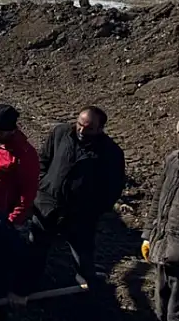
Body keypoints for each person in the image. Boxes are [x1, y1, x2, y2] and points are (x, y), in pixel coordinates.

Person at [29, 105, 126, 288]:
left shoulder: (111, 153)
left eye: (88, 128)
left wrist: (93, 211)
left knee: (83, 252)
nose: (81, 130)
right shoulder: (60, 133)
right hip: (48, 205)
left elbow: (113, 188)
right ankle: (31, 284)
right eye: (79, 124)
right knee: (37, 248)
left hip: (80, 215)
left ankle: (85, 285)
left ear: (100, 129)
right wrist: (43, 186)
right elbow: (43, 159)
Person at [142, 120, 179, 321]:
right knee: (160, 299)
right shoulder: (173, 160)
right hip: (164, 244)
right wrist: (149, 235)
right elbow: (158, 200)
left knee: (175, 310)